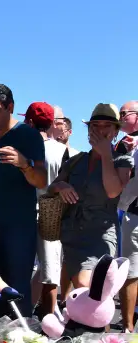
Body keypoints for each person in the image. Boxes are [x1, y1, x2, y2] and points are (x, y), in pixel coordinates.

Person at [0, 84, 47, 316]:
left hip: (18, 227)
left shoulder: (28, 135)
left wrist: (24, 163)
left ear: (10, 107)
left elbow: (41, 180)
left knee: (17, 289)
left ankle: (21, 340)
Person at [50, 103, 132, 300]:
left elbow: (113, 191)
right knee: (90, 293)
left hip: (100, 235)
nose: (100, 130)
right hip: (71, 233)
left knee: (89, 286)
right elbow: (53, 186)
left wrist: (105, 155)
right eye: (95, 125)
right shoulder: (76, 160)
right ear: (88, 130)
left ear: (115, 132)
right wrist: (62, 187)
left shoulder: (123, 161)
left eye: (107, 126)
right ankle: (88, 327)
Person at [22, 102, 78, 315]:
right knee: (50, 270)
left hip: (26, 213)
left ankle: (37, 316)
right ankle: (47, 317)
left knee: (37, 271)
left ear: (28, 122)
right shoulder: (66, 151)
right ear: (52, 123)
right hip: (54, 213)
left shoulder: (23, 150)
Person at [115, 101, 138, 331]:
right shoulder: (124, 144)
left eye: (124, 114)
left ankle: (128, 324)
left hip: (131, 210)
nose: (120, 118)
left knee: (131, 268)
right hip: (130, 212)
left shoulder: (129, 145)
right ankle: (129, 323)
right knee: (131, 268)